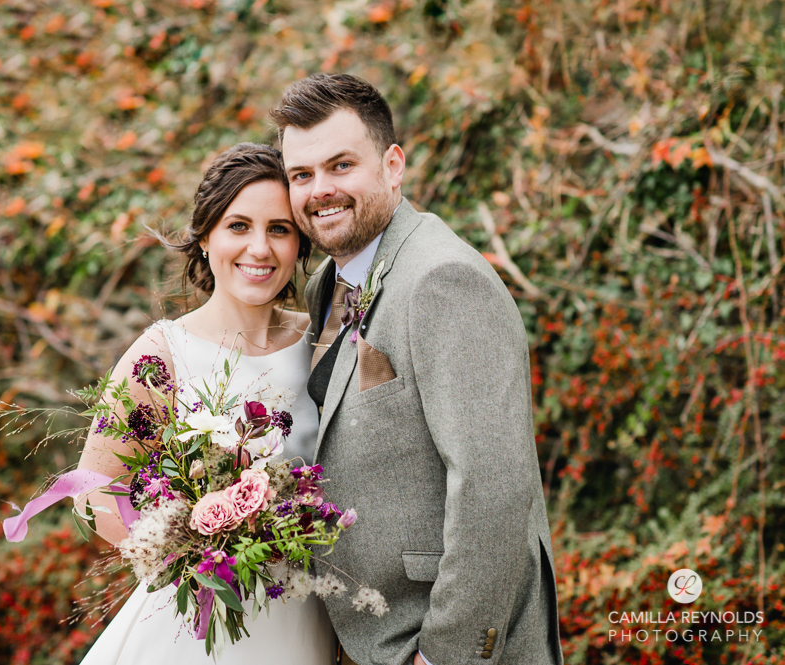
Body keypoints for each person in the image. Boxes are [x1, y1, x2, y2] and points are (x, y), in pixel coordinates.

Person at [271, 74, 564, 665]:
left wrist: (444, 655)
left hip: (442, 642)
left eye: (341, 165)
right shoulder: (325, 283)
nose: (320, 190)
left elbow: (494, 487)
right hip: (360, 634)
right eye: (301, 175)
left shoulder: (443, 279)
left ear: (393, 165)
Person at [73, 143, 336, 664]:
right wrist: (186, 553)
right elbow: (90, 491)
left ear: (300, 242)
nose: (259, 248)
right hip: (198, 625)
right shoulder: (162, 353)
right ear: (206, 235)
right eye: (238, 226)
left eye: (279, 229)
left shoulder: (322, 343)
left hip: (305, 614)